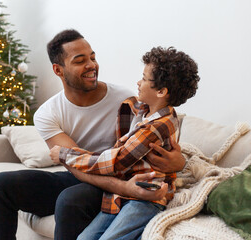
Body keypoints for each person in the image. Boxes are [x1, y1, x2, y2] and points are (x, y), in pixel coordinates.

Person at [0, 29, 186, 240]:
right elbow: (74, 163)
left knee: (71, 199)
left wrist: (178, 162)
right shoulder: (48, 113)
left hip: (114, 177)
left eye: (93, 57)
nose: (91, 65)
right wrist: (126, 188)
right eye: (80, 61)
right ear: (58, 70)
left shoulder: (125, 100)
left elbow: (146, 143)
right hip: (85, 174)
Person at [50, 46, 200, 240]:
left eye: (145, 79)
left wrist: (64, 154)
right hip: (124, 193)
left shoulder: (157, 126)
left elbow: (117, 161)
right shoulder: (140, 109)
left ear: (162, 91)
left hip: (147, 198)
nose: (138, 82)